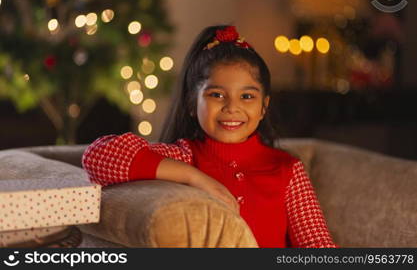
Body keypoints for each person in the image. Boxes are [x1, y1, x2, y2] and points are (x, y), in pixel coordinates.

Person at [82, 25, 337, 248]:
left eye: (247, 96)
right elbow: (99, 157)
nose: (231, 107)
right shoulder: (184, 157)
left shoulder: (287, 169)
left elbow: (317, 244)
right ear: (193, 104)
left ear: (263, 107)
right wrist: (197, 178)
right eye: (216, 95)